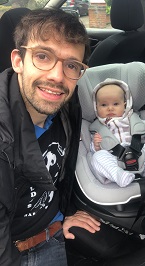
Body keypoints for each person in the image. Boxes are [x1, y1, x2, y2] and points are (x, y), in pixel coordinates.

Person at [0, 9, 100, 266]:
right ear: (18, 61)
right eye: (43, 56)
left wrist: (61, 216)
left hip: (53, 235)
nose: (57, 76)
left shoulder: (65, 106)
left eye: (71, 65)